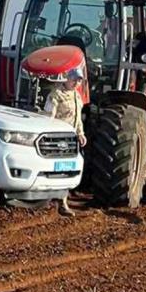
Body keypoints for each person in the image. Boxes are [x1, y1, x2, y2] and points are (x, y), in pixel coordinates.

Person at [43, 67, 87, 216]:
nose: (76, 83)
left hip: (71, 139)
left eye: (79, 80)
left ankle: (63, 203)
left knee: (67, 170)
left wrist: (81, 133)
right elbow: (48, 117)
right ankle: (47, 202)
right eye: (74, 79)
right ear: (67, 79)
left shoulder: (77, 96)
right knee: (54, 169)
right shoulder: (56, 95)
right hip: (58, 138)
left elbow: (78, 118)